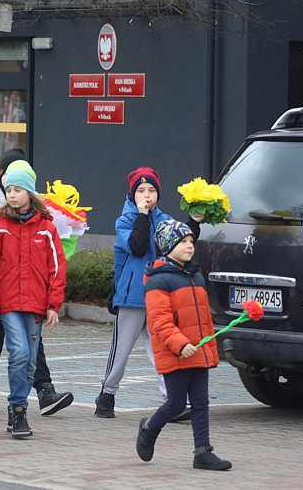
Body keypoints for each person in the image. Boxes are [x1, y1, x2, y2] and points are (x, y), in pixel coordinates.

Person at [97, 167, 202, 418]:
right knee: (120, 352)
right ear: (132, 195)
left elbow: (179, 244)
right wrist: (142, 216)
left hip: (159, 296)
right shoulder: (124, 221)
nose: (147, 195)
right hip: (132, 296)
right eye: (141, 191)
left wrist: (194, 222)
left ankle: (172, 402)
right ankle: (107, 394)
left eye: (152, 190)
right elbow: (138, 245)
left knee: (161, 351)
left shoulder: (164, 219)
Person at [0, 159, 74, 416]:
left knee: (29, 361)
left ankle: (24, 398)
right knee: (17, 352)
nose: (12, 194)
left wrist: (54, 305)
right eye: (9, 190)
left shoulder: (47, 229)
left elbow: (57, 269)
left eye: (18, 190)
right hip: (7, 305)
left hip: (36, 305)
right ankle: (16, 407)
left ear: (29, 192)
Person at [136, 220, 232, 471]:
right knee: (176, 404)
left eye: (191, 241)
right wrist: (180, 345)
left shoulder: (196, 277)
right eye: (183, 242)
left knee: (201, 403)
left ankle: (203, 451)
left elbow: (203, 317)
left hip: (198, 350)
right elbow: (159, 321)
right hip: (176, 352)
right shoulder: (158, 281)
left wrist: (209, 347)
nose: (190, 246)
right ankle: (149, 427)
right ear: (167, 246)